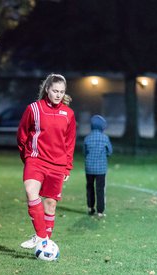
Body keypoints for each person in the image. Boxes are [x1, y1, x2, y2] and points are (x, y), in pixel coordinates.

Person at [17, 73, 77, 249]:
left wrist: (67, 167)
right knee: (30, 192)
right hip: (35, 160)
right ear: (47, 90)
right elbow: (22, 135)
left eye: (61, 91)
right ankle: (43, 238)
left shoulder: (69, 114)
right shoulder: (33, 109)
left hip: (57, 164)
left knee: (50, 205)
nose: (58, 95)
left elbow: (70, 142)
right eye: (55, 91)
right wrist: (27, 157)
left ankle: (42, 240)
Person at [83, 115, 113, 218]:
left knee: (90, 187)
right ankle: (100, 211)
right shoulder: (105, 138)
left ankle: (90, 207)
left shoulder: (87, 138)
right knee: (100, 188)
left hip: (89, 168)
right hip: (101, 169)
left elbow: (85, 152)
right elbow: (109, 151)